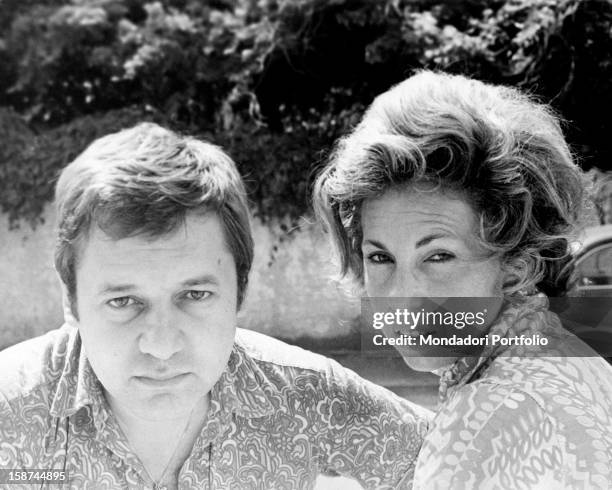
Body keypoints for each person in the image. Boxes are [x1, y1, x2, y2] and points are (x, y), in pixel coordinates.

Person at [0, 123, 432, 489]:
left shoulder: (306, 396)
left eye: (195, 295)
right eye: (124, 301)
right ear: (70, 299)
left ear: (240, 291)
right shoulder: (10, 411)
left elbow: (457, 459)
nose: (162, 346)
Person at [313, 70, 612, 489]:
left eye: (438, 256)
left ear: (516, 265)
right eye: (380, 257)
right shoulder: (575, 360)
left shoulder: (483, 421)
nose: (402, 298)